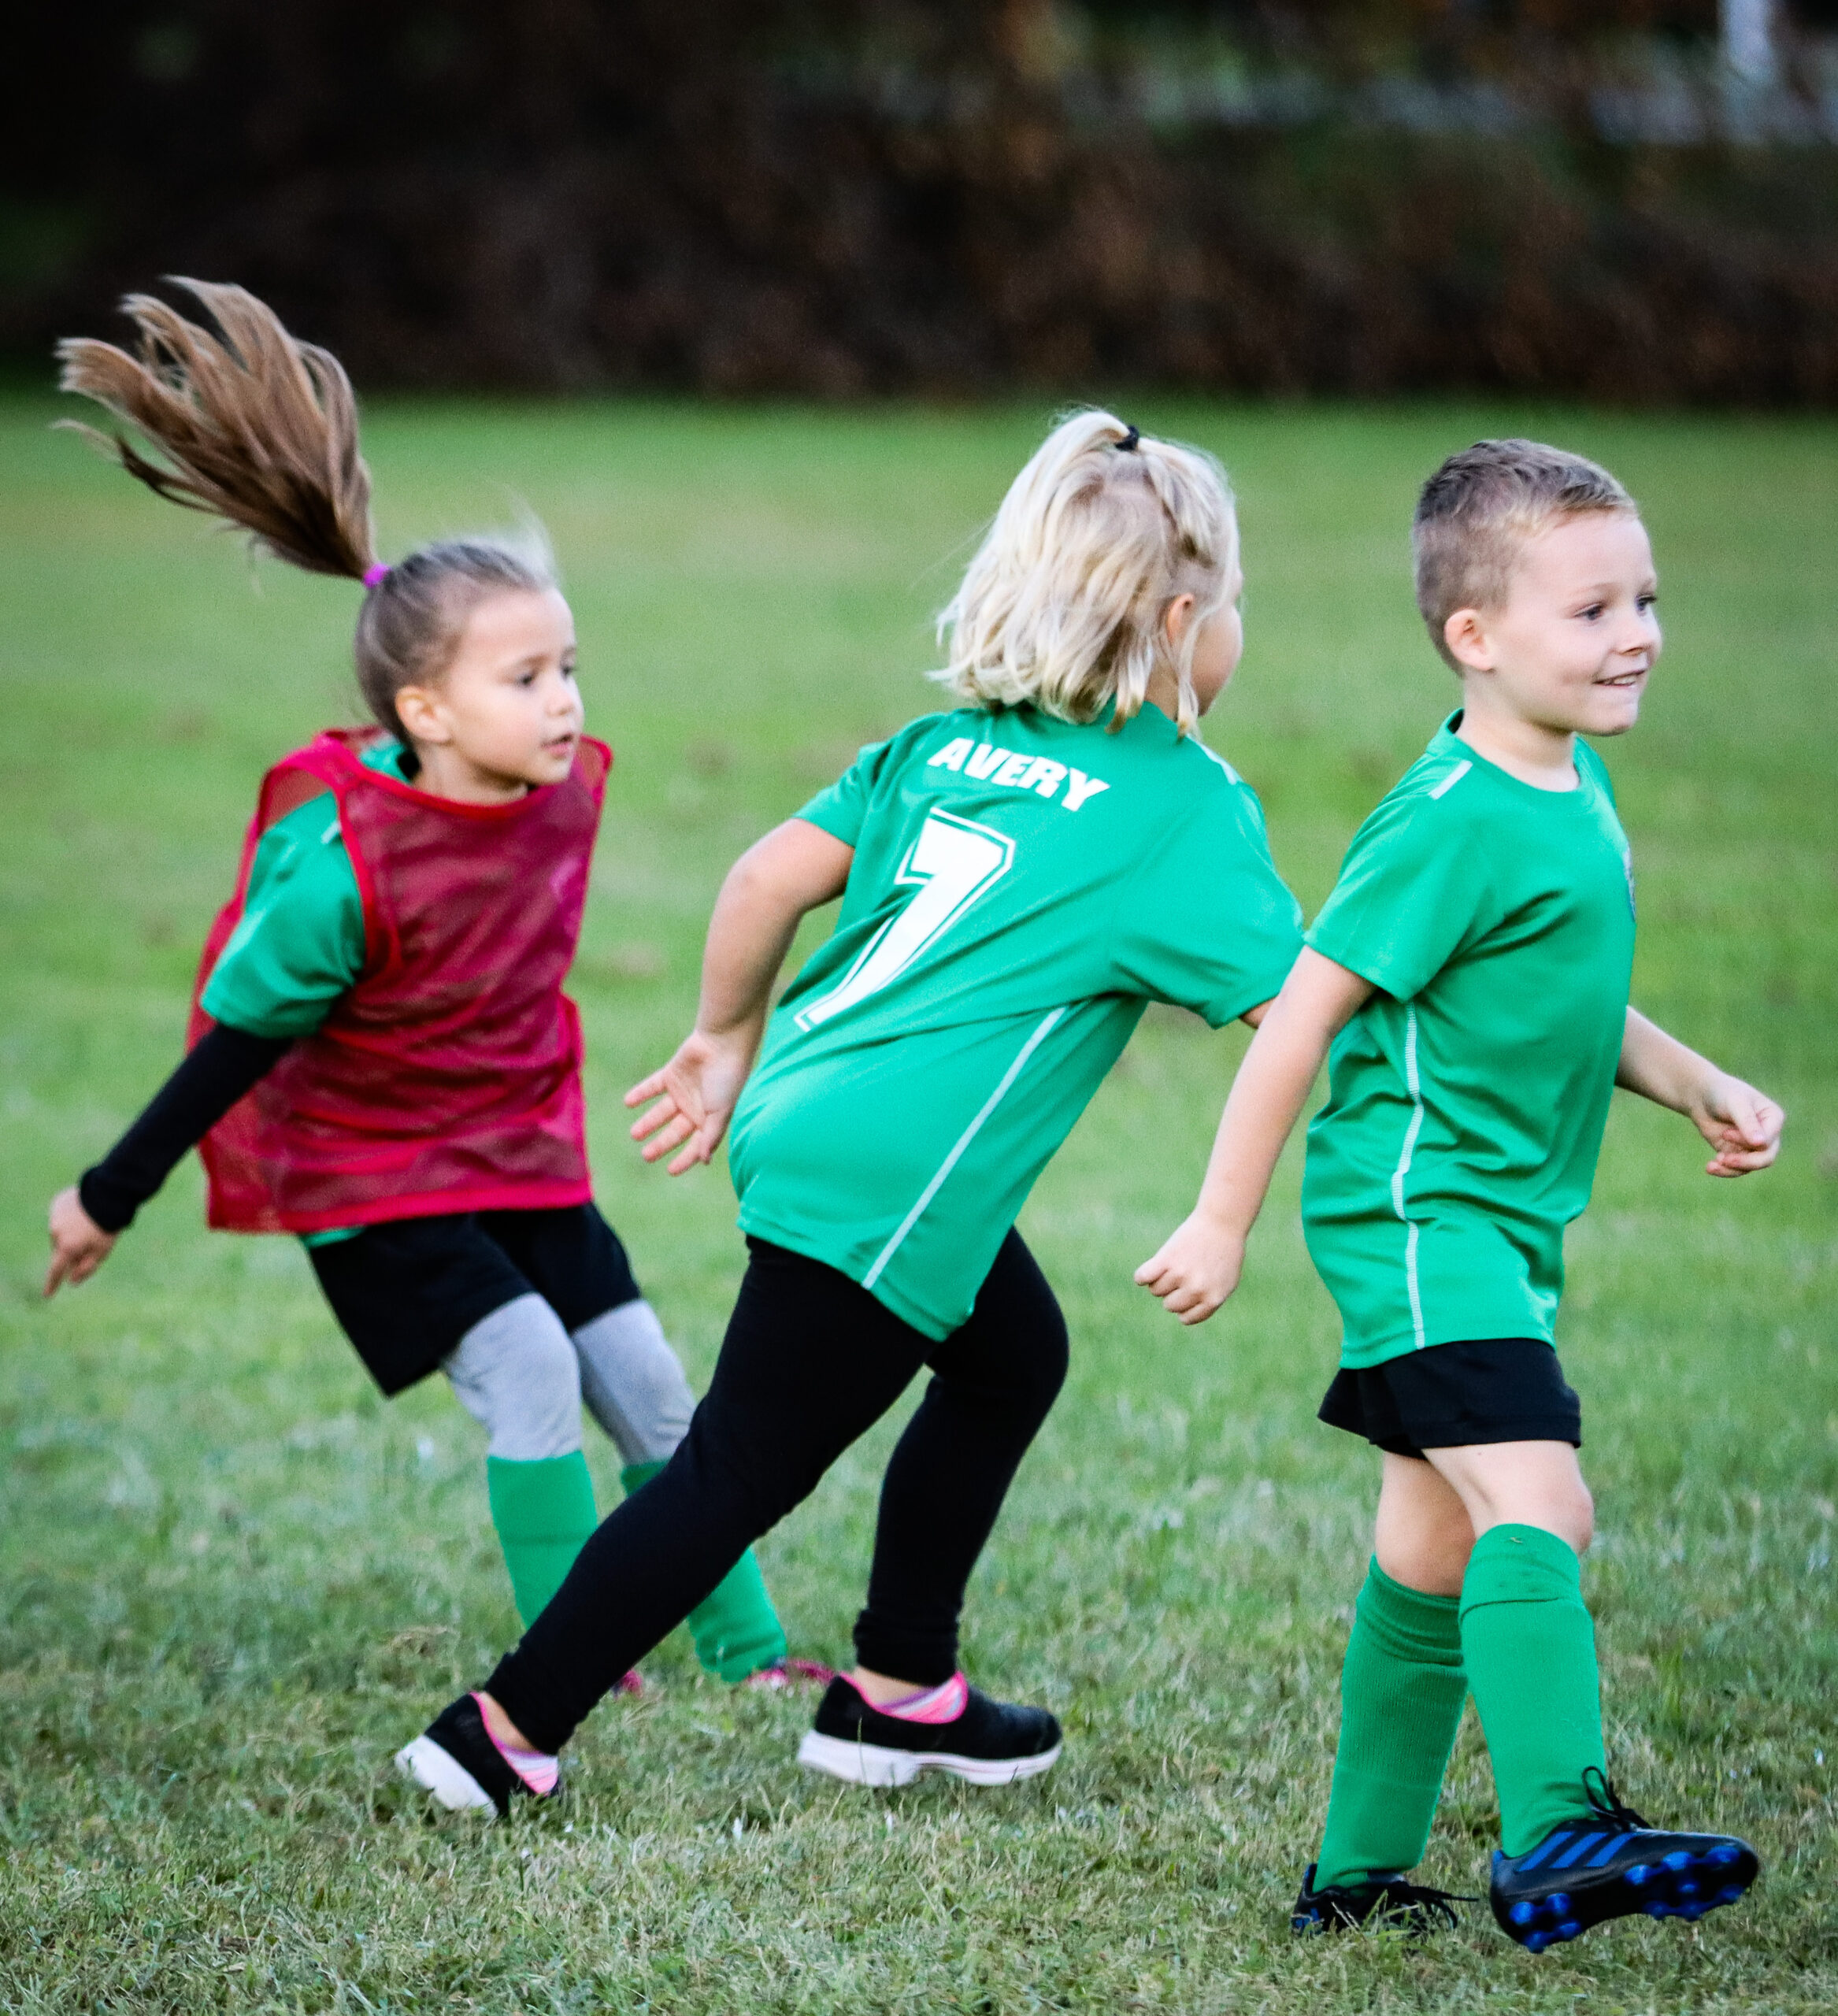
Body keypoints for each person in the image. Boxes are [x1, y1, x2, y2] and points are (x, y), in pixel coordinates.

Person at [393, 407, 1306, 1817]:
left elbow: (765, 874)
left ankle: (900, 1689)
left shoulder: (943, 745)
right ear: (1184, 623)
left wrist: (719, 1039)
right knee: (736, 1467)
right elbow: (1298, 1011)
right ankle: (500, 1734)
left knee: (1011, 1357)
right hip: (895, 1178)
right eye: (1233, 602)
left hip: (803, 1106)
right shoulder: (1183, 808)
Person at [41, 280, 789, 1684]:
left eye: (568, 667)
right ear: (423, 712)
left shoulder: (558, 794)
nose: (564, 700)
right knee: (531, 1368)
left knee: (647, 1382)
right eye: (526, 678)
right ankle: (576, 1662)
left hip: (515, 1150)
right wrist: (106, 1194)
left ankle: (749, 1653)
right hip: (373, 1172)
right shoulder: (342, 869)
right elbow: (234, 1048)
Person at [1136, 439, 1784, 1949]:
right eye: (1591, 610)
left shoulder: (1568, 781)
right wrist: (1221, 1218)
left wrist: (1692, 1078)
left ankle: (1353, 1879)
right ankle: (1559, 1829)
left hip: (1496, 1225)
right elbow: (1300, 1016)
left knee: (1431, 1549)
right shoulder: (1447, 818)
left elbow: (1557, 991)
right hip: (1420, 1220)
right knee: (1541, 1499)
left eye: (1643, 600)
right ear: (1474, 636)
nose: (1635, 634)